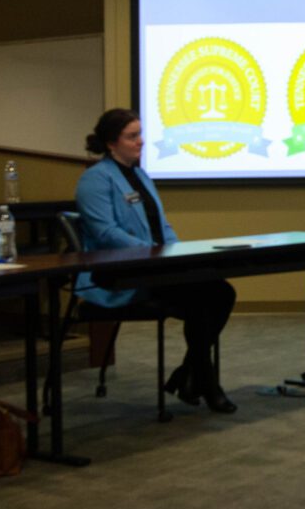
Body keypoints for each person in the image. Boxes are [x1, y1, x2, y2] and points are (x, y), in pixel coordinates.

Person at [75, 109, 238, 414]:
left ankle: (189, 375)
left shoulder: (141, 175)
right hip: (118, 275)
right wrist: (151, 252)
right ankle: (203, 381)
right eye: (132, 136)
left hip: (155, 267)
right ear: (111, 143)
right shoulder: (94, 179)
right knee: (206, 298)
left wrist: (177, 252)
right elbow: (105, 232)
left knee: (221, 292)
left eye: (140, 134)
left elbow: (162, 226)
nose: (141, 141)